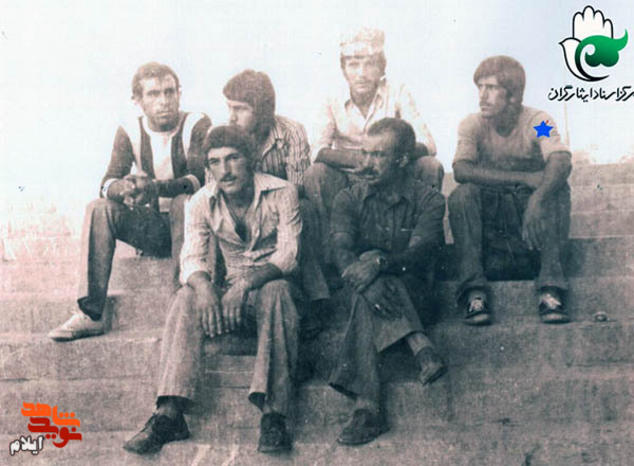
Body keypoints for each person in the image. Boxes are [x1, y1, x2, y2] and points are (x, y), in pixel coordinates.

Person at [123, 126, 302, 455]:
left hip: (273, 295)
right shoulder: (201, 201)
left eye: (233, 159)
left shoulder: (282, 191)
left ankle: (274, 416)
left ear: (251, 160)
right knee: (186, 296)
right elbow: (191, 258)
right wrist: (205, 288)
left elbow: (288, 256)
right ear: (208, 167)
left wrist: (246, 284)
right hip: (231, 296)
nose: (225, 170)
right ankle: (169, 414)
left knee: (277, 289)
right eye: (215, 162)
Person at [49, 62, 211, 342]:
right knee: (98, 208)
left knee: (183, 201)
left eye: (170, 92)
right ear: (138, 100)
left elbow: (199, 179)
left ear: (179, 93)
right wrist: (123, 188)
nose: (164, 101)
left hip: (194, 228)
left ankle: (182, 305)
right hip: (153, 229)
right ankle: (91, 313)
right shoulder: (130, 130)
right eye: (154, 94)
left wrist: (155, 188)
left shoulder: (196, 124)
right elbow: (107, 182)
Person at [329, 118, 446, 446]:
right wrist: (368, 273)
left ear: (403, 160)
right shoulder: (347, 198)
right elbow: (341, 251)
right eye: (364, 153)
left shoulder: (430, 200)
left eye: (378, 155)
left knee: (372, 261)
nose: (366, 163)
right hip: (368, 295)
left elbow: (418, 255)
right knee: (366, 274)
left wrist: (378, 264)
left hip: (417, 298)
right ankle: (419, 345)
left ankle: (367, 407)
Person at [448, 55, 572, 326]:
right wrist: (524, 178)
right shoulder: (473, 124)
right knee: (462, 194)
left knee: (556, 189)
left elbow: (560, 159)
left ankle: (550, 288)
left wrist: (538, 199)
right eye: (480, 87)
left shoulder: (537, 121)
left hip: (529, 237)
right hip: (492, 242)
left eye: (491, 88)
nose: (482, 96)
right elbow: (462, 170)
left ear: (513, 95)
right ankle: (474, 292)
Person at [304, 26, 444, 265]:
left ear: (382, 67)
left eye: (369, 64)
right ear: (343, 69)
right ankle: (334, 257)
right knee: (315, 174)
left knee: (430, 166)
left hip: (390, 175)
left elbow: (427, 144)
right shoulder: (331, 96)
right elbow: (318, 150)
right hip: (349, 177)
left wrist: (387, 157)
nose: (361, 73)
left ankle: (417, 255)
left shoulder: (397, 91)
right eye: (353, 65)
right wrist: (361, 160)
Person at [222, 69, 330, 318]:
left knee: (305, 208)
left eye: (240, 109)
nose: (232, 117)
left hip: (281, 208)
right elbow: (215, 190)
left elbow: (297, 185)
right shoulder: (227, 136)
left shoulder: (291, 131)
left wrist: (267, 199)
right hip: (240, 210)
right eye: (229, 108)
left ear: (261, 110)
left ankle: (317, 296)